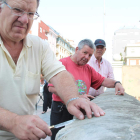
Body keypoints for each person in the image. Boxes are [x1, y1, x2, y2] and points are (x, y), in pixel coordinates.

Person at [0, 0, 105, 139]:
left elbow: (59, 74)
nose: (25, 19)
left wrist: (72, 98)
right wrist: (13, 122)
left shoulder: (39, 45)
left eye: (31, 13)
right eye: (18, 10)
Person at [48, 39, 125, 140]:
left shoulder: (88, 68)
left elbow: (103, 81)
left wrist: (116, 83)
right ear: (76, 50)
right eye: (85, 53)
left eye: (89, 55)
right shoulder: (63, 63)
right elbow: (51, 87)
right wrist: (76, 97)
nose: (86, 57)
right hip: (62, 110)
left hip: (81, 109)